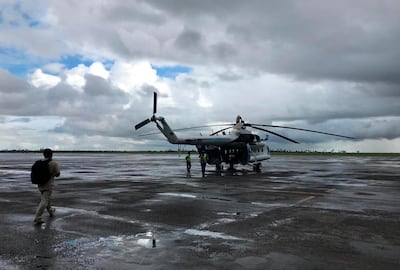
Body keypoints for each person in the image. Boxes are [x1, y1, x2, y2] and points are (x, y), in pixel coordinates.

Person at [34, 148, 60, 225]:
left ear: (44, 154)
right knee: (44, 201)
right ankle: (37, 217)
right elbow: (57, 174)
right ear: (51, 154)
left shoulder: (40, 162)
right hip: (48, 185)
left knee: (46, 198)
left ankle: (51, 211)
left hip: (40, 184)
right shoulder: (53, 163)